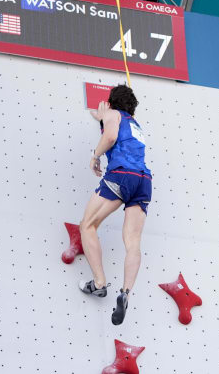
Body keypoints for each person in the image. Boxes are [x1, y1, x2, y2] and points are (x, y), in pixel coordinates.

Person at [78, 85, 152, 326]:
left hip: (122, 175)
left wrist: (95, 155)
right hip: (144, 181)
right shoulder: (136, 125)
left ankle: (99, 283)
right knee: (133, 243)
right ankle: (125, 293)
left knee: (87, 225)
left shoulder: (113, 114)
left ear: (111, 103)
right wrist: (103, 120)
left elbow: (110, 136)